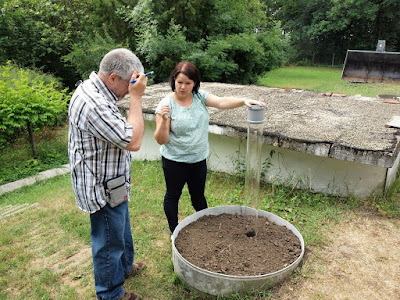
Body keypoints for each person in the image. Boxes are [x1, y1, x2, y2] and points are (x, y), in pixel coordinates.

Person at [68, 48, 148, 300]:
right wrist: (136, 98)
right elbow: (133, 140)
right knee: (108, 243)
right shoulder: (92, 103)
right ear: (113, 77)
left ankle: (124, 268)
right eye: (130, 83)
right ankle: (110, 293)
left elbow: (115, 137)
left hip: (113, 181)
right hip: (101, 187)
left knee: (121, 230)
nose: (131, 88)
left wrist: (124, 172)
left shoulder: (101, 93)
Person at [154, 61, 265, 233]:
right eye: (179, 82)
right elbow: (161, 139)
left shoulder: (200, 97)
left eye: (188, 83)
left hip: (198, 159)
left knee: (198, 196)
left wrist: (243, 101)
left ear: (195, 83)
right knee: (173, 195)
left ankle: (206, 230)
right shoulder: (165, 105)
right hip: (174, 161)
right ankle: (174, 231)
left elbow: (221, 102)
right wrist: (163, 119)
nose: (183, 87)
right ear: (173, 80)